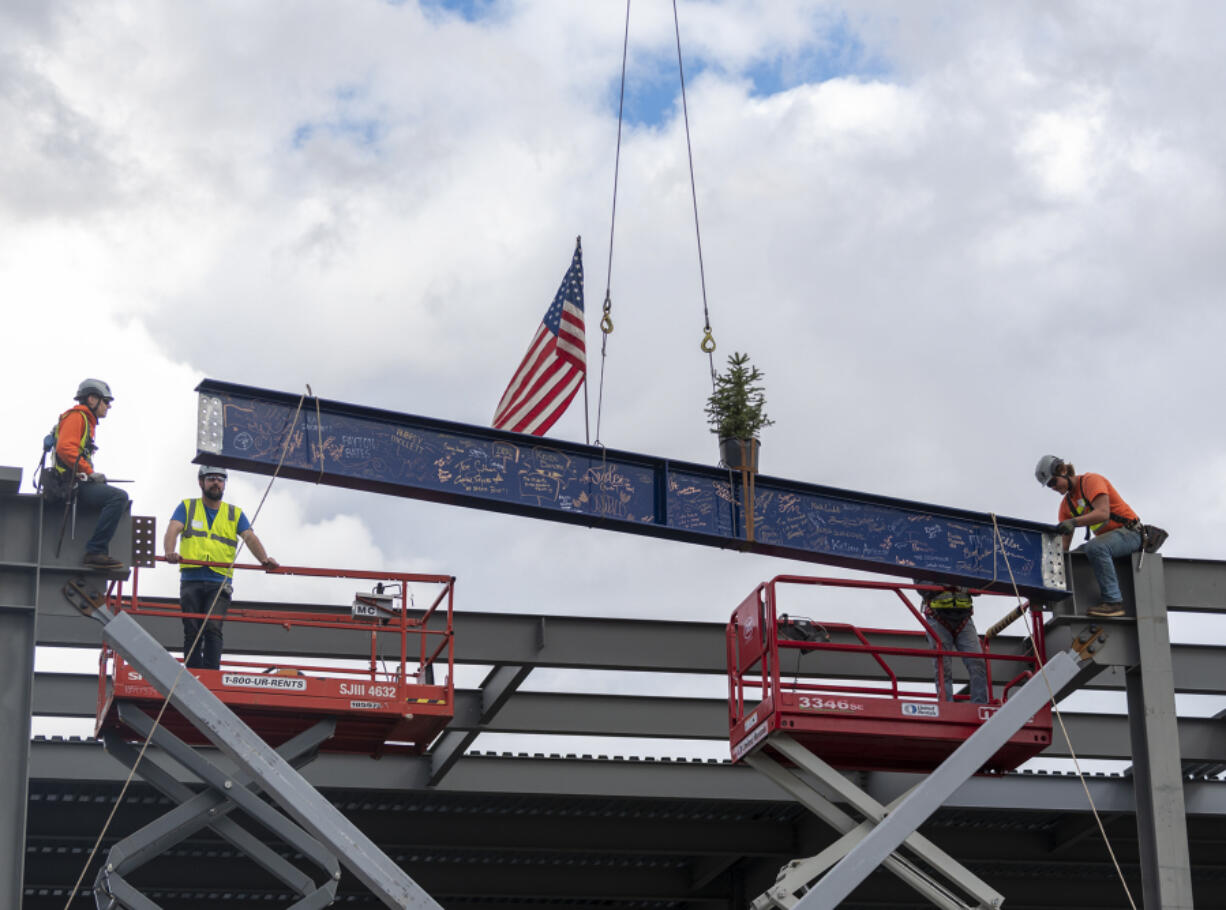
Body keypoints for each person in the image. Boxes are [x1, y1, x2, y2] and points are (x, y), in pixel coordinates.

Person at [163, 466, 279, 669]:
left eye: (220, 479)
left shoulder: (234, 513)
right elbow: (173, 528)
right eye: (211, 479)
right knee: (191, 628)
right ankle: (193, 674)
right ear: (201, 482)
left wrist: (264, 559)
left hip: (220, 581)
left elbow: (249, 537)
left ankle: (211, 675)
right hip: (191, 578)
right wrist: (169, 552)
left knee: (212, 627)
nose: (216, 483)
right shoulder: (187, 507)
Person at [1035, 455, 1141, 618]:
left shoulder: (1091, 481)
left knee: (1095, 547)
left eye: (1053, 482)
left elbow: (1103, 513)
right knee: (1075, 558)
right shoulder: (1066, 506)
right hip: (1111, 541)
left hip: (1131, 534)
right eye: (1049, 485)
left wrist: (1074, 522)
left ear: (1063, 471)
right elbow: (1064, 547)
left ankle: (1113, 602)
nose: (1053, 487)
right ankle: (1072, 607)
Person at [51, 378, 130, 569]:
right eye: (106, 401)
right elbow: (65, 448)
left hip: (75, 481)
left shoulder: (87, 421)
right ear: (92, 399)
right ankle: (95, 551)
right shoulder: (77, 417)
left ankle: (96, 549)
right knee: (118, 498)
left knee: (110, 493)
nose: (108, 406)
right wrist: (89, 472)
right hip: (69, 484)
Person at [921, 586, 989, 704]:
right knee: (943, 668)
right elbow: (922, 586)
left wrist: (961, 585)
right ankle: (946, 706)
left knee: (977, 662)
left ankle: (979, 705)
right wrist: (950, 584)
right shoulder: (932, 566)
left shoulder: (965, 567)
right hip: (937, 617)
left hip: (964, 618)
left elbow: (978, 588)